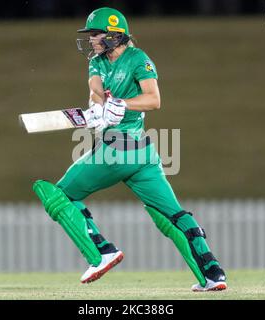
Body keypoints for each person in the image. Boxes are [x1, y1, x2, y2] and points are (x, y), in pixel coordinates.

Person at [33, 7, 227, 292]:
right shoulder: (97, 62)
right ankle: (211, 275)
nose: (91, 40)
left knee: (57, 193)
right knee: (170, 213)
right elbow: (95, 92)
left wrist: (123, 105)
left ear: (114, 35)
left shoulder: (139, 59)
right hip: (143, 156)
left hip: (118, 151)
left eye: (96, 35)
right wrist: (96, 111)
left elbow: (154, 99)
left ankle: (100, 253)